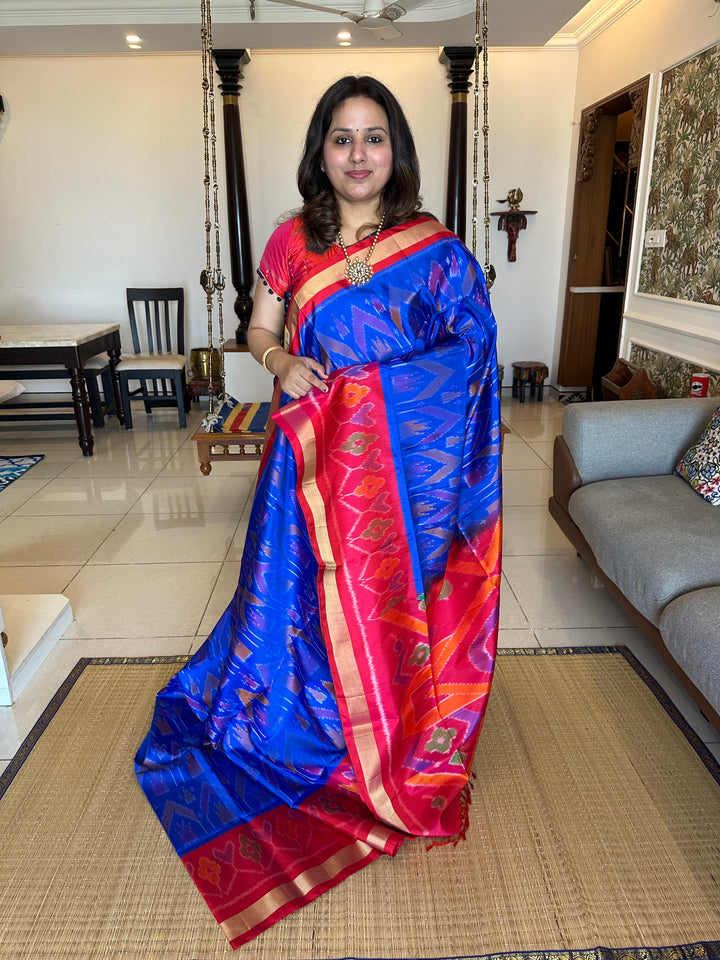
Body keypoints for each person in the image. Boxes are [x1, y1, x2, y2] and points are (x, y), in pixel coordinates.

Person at [135, 75, 502, 950]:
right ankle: (312, 728)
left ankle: (394, 730)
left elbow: (474, 351)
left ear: (397, 151)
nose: (360, 154)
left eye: (375, 138)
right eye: (343, 138)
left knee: (388, 609)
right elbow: (260, 331)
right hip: (308, 474)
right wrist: (280, 363)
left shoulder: (436, 249)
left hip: (406, 487)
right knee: (295, 608)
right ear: (321, 150)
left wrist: (379, 394)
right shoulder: (290, 241)